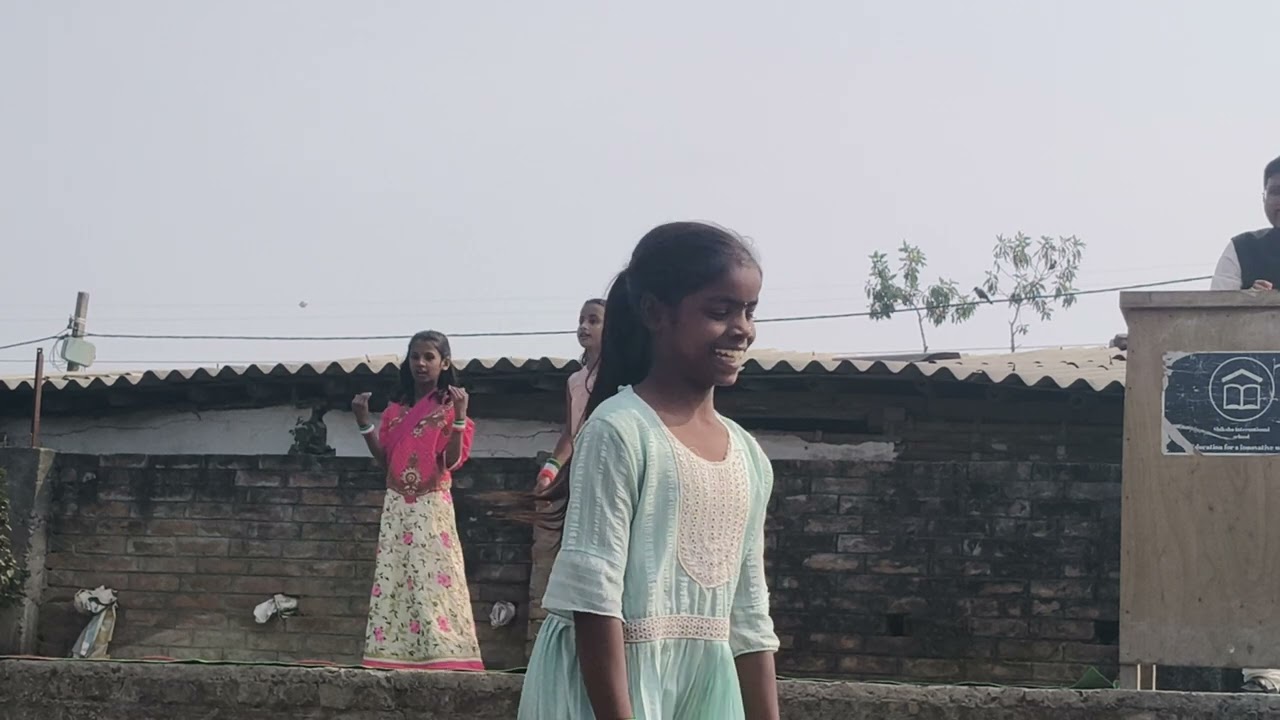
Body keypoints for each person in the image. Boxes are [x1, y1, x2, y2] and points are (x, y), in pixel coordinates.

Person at [517, 222, 781, 720]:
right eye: (719, 311)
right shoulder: (619, 432)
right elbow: (595, 601)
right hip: (606, 699)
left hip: (700, 698)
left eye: (750, 311)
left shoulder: (749, 458)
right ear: (656, 313)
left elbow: (748, 617)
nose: (742, 328)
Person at [351, 330, 485, 672]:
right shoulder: (395, 411)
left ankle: (445, 653)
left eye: (429, 357)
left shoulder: (447, 408)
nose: (421, 364)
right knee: (396, 576)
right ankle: (391, 652)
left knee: (437, 578)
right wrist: (365, 423)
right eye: (415, 357)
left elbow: (451, 462)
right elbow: (386, 463)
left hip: (432, 505)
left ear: (445, 363)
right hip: (397, 504)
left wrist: (458, 416)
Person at [526, 298, 605, 650]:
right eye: (581, 320)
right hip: (578, 477)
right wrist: (550, 471)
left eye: (594, 320)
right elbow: (571, 434)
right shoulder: (575, 380)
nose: (584, 327)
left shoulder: (625, 376)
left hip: (608, 476)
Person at [1211, 155, 1280, 291]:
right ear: (1264, 199)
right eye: (1275, 192)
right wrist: (1250, 299)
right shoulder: (1242, 248)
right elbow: (1217, 308)